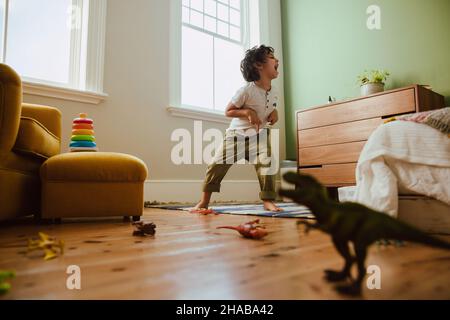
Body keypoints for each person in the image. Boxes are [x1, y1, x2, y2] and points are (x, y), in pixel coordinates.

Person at [193, 45, 282, 212]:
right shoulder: (246, 90)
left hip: (260, 136)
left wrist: (274, 113)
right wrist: (247, 111)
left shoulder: (274, 90)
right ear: (258, 65)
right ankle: (204, 201)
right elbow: (228, 111)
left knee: (267, 164)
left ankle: (268, 201)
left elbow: (271, 106)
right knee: (216, 164)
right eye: (271, 57)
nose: (277, 60)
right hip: (236, 136)